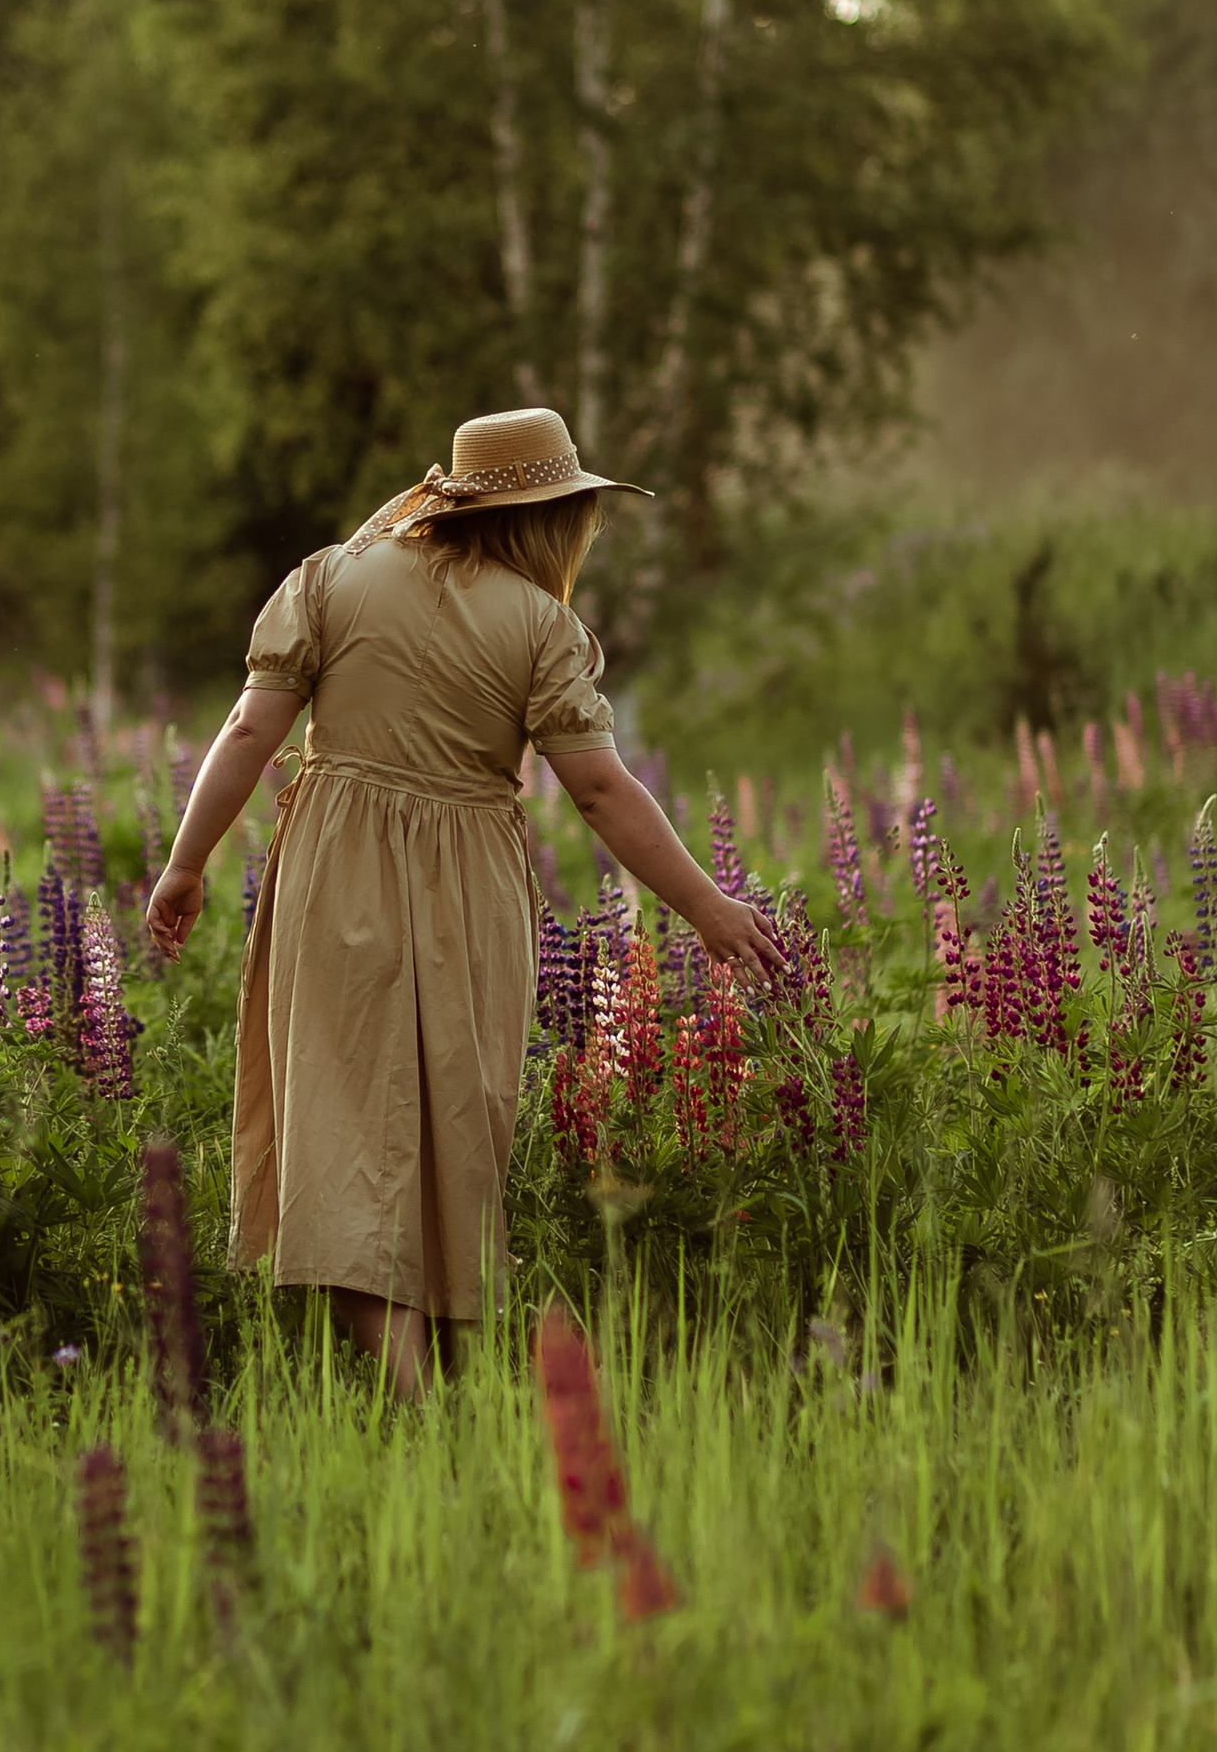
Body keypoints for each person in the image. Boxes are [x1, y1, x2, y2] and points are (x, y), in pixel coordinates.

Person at [144, 408, 776, 1403]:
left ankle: (420, 1390)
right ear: (546, 516)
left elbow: (245, 731)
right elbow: (603, 792)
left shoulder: (330, 578)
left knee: (342, 1121)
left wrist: (185, 863)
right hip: (469, 887)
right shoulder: (541, 627)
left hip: (332, 866)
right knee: (451, 1121)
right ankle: (425, 1397)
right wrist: (708, 907)